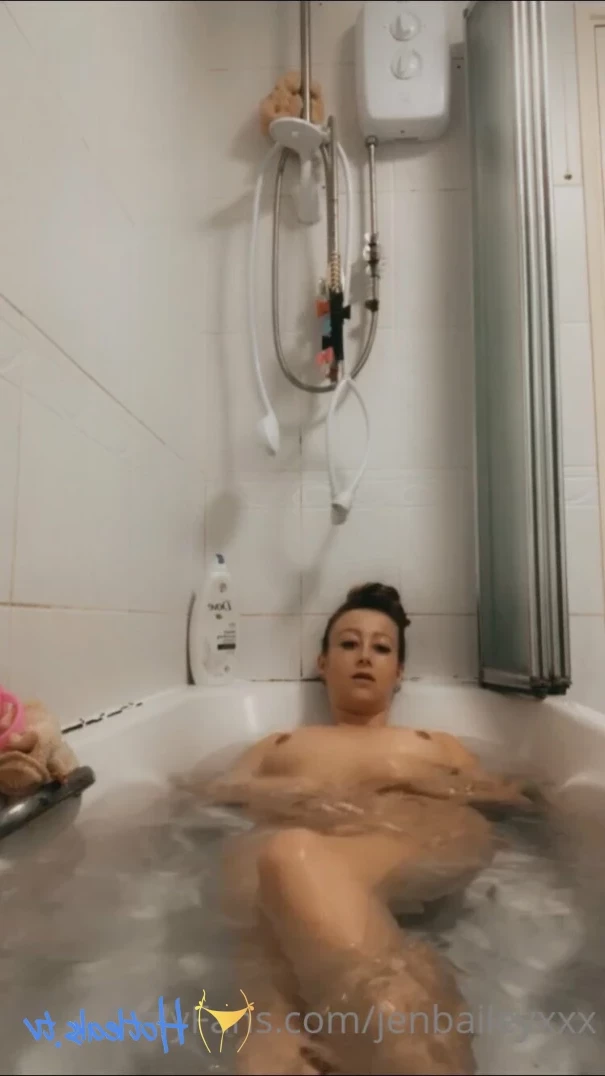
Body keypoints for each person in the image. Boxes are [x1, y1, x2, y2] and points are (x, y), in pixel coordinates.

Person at [191, 584, 539, 1075]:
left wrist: (420, 783)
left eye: (381, 648)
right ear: (323, 662)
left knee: (288, 856)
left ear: (399, 672)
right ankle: (291, 1037)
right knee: (267, 861)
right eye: (349, 643)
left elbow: (512, 799)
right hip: (301, 847)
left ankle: (324, 1033)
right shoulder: (279, 744)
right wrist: (284, 792)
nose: (364, 656)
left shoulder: (434, 742)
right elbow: (206, 795)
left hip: (412, 834)